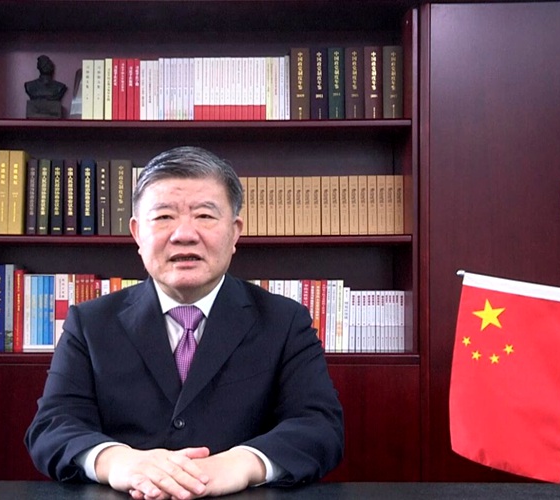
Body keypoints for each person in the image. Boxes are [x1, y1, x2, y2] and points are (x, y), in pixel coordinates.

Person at [25, 146, 344, 499]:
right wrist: (117, 461)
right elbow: (52, 427)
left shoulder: (284, 321)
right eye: (164, 217)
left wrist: (242, 463)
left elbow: (320, 427)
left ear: (235, 232)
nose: (184, 234)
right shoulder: (90, 323)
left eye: (205, 216)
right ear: (137, 234)